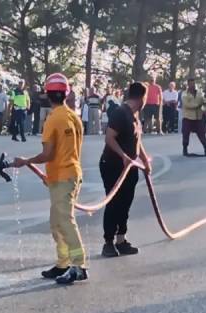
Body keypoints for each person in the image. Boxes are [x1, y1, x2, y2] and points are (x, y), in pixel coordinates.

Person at [10, 73, 89, 285]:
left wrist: (26, 161)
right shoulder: (73, 116)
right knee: (56, 223)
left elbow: (48, 154)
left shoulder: (53, 119)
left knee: (64, 220)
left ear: (47, 94)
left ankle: (78, 265)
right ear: (65, 93)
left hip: (63, 176)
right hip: (69, 174)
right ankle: (63, 263)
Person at [99, 82, 151, 258]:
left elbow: (137, 141)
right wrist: (123, 155)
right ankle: (108, 242)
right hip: (113, 164)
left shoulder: (134, 116)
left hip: (130, 167)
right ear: (141, 97)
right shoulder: (120, 113)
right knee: (114, 202)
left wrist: (144, 160)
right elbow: (109, 138)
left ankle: (121, 240)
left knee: (125, 203)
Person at [180, 78, 206, 156]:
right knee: (185, 134)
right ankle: (185, 149)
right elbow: (187, 105)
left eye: (194, 84)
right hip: (188, 117)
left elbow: (204, 100)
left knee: (202, 133)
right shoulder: (184, 94)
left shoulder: (199, 93)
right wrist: (198, 105)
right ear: (188, 85)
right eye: (191, 84)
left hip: (198, 117)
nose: (193, 86)